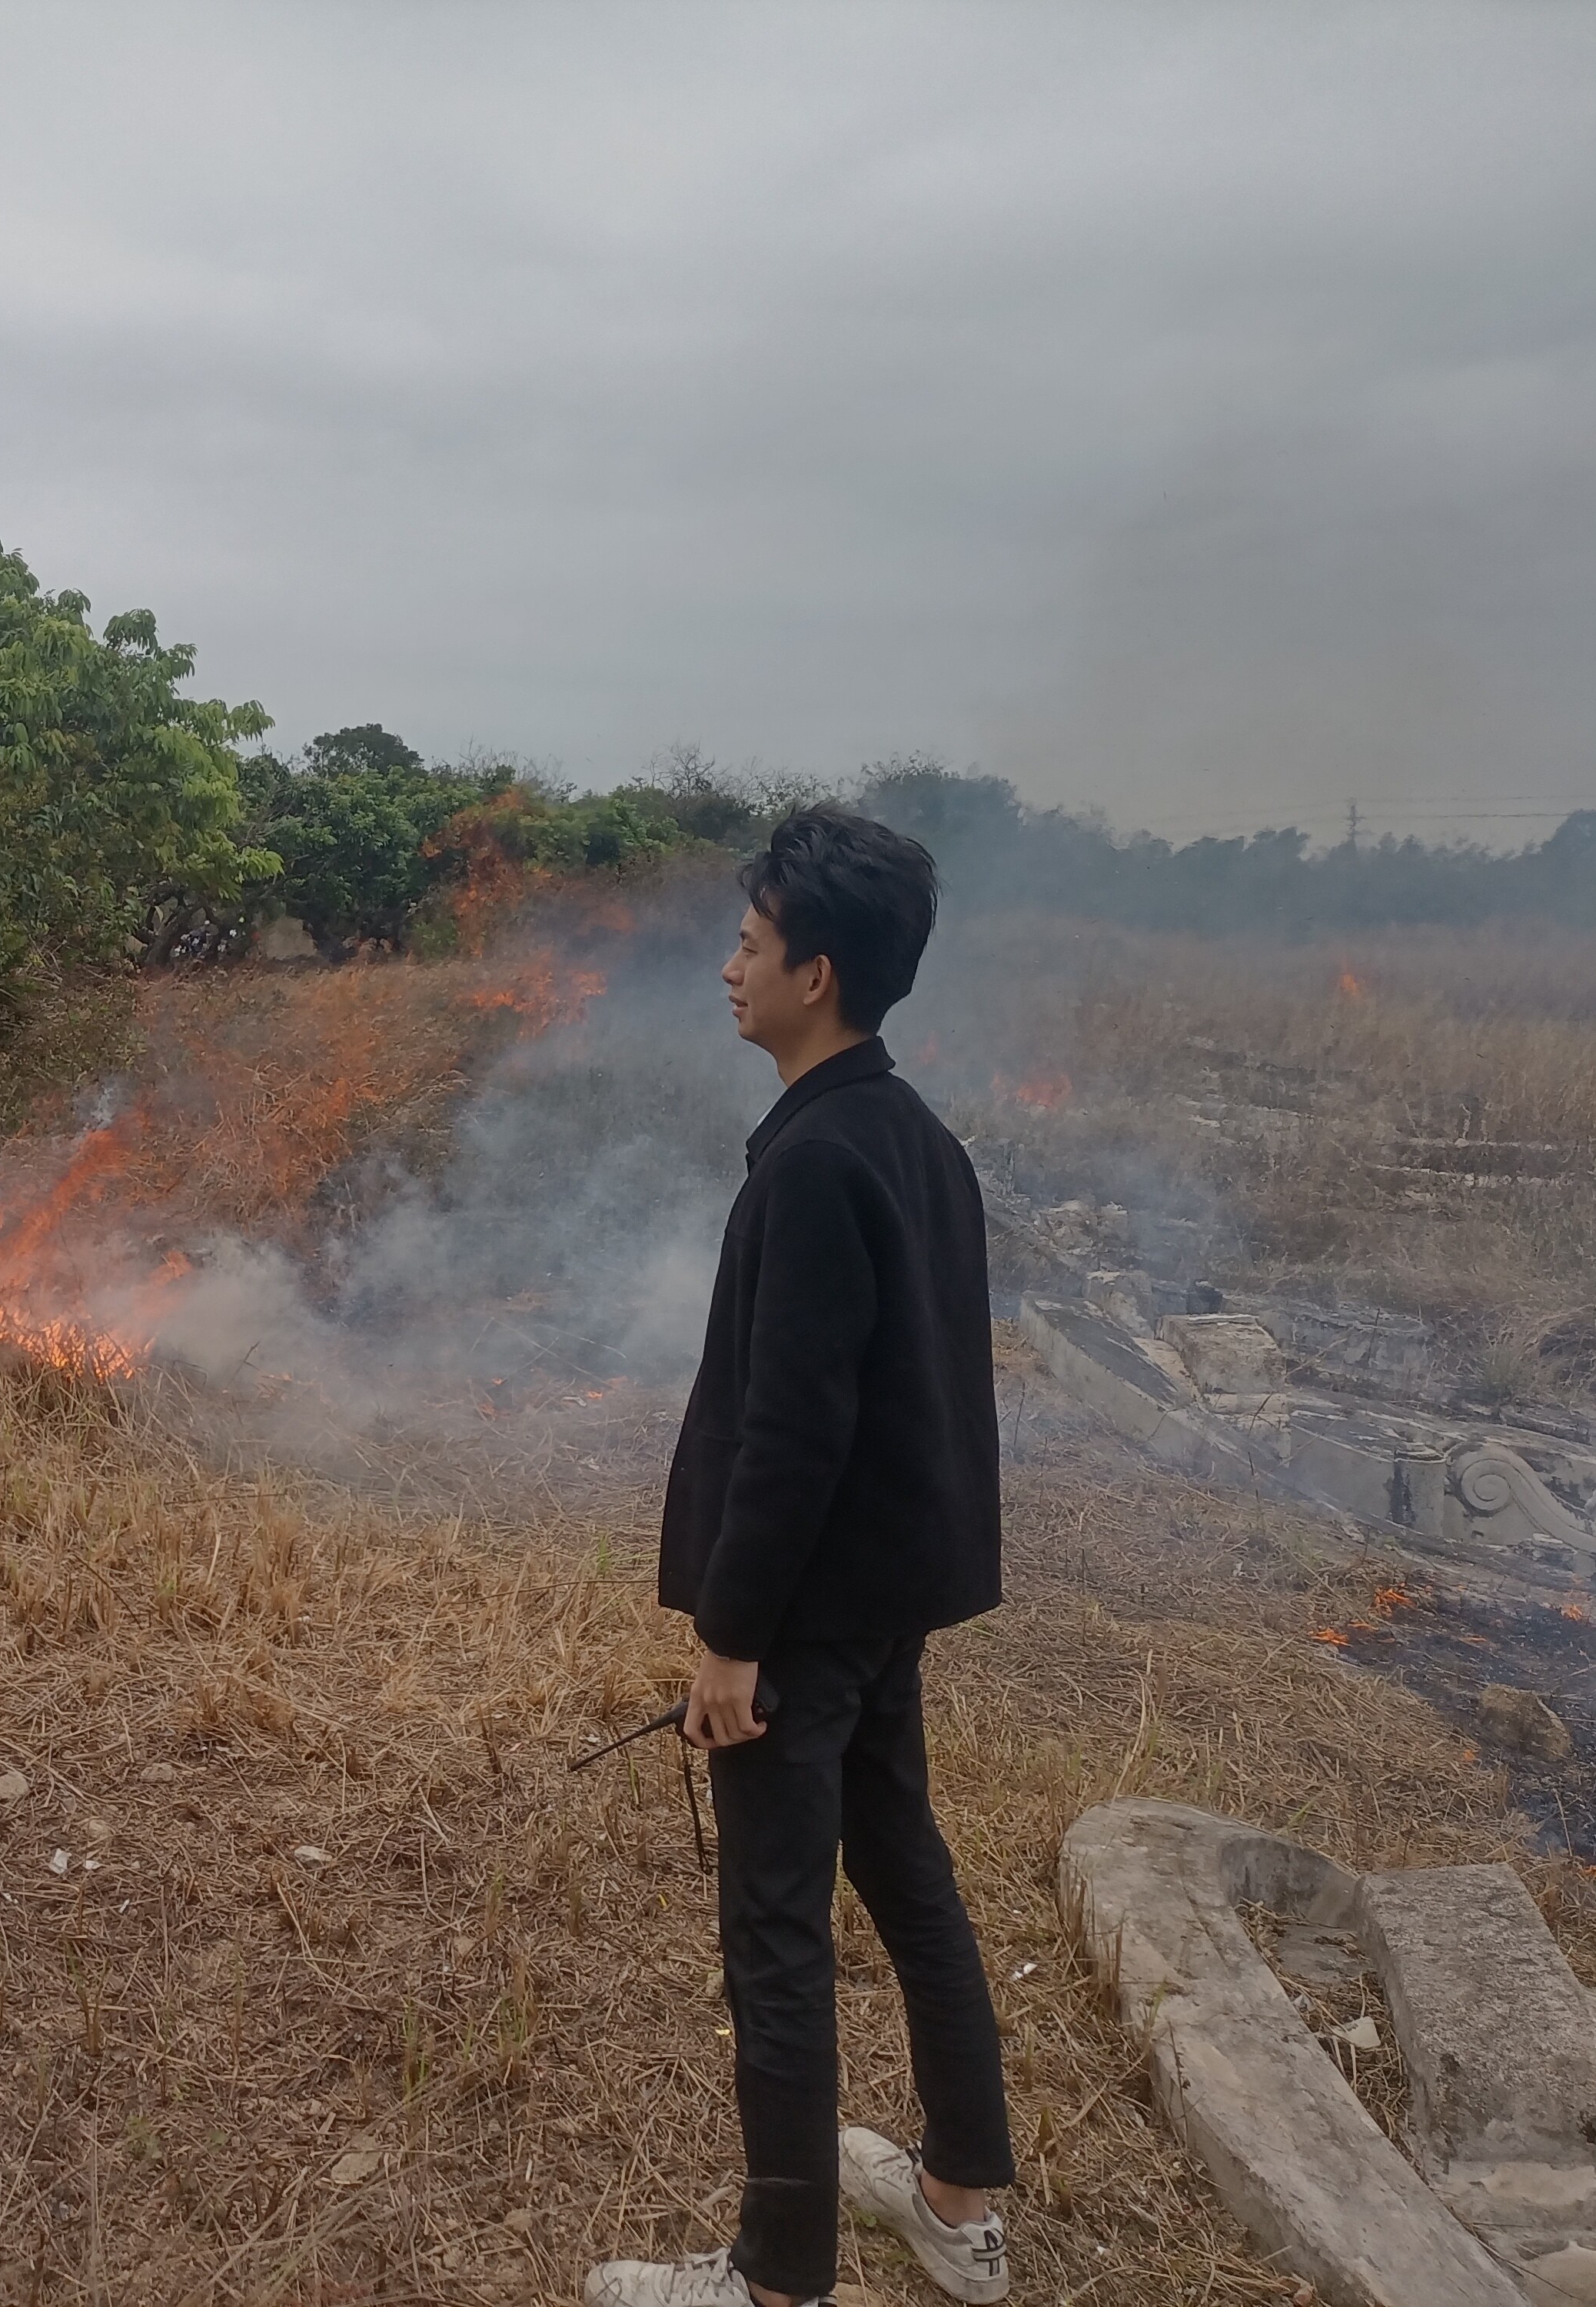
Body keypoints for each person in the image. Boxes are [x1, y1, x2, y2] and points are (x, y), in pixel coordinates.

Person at [587, 805, 1013, 2307]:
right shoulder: (913, 1138)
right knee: (905, 1872)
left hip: (808, 1617)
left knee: (775, 1935)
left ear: (814, 974)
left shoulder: (818, 1163)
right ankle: (960, 2205)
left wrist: (730, 1639)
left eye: (749, 944)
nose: (729, 968)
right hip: (884, 1603)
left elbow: (793, 1431)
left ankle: (776, 2282)